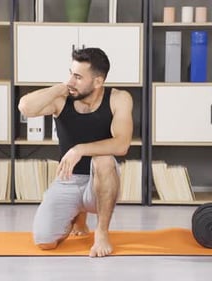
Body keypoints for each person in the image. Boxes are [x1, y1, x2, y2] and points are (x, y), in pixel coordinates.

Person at [18, 47, 133, 257]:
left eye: (78, 77)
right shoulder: (62, 97)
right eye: (71, 73)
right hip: (68, 181)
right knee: (44, 241)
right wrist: (59, 88)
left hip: (101, 182)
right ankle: (76, 215)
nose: (71, 80)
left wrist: (80, 149)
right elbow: (26, 107)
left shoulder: (119, 98)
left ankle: (101, 232)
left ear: (98, 81)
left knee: (104, 160)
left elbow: (122, 144)